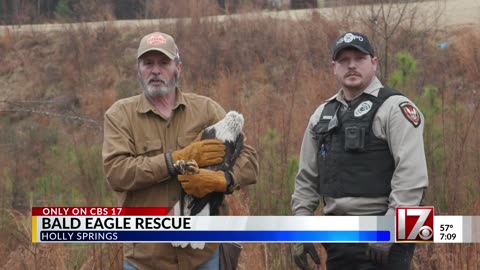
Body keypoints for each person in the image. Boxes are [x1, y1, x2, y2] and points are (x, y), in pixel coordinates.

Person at [102, 32, 258, 270]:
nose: (156, 70)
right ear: (139, 69)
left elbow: (249, 159)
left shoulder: (205, 110)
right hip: (145, 258)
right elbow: (117, 173)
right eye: (148, 63)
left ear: (178, 67)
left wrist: (221, 179)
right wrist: (176, 160)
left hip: (205, 253)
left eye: (164, 63)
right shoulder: (120, 115)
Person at [291, 32, 428, 270]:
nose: (351, 65)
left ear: (374, 62)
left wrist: (389, 230)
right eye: (344, 60)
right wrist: (300, 229)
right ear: (334, 67)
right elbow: (306, 178)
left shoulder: (396, 108)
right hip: (339, 236)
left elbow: (411, 177)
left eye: (359, 58)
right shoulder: (321, 114)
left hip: (387, 232)